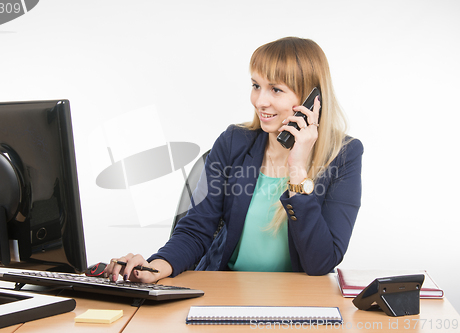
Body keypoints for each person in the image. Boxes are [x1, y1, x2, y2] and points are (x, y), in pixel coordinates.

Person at [105, 37, 363, 283]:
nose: (260, 101)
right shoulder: (233, 143)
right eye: (256, 86)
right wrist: (152, 268)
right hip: (227, 291)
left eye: (276, 89)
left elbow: (321, 263)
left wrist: (297, 170)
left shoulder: (343, 156)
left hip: (298, 300)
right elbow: (196, 229)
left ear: (312, 99)